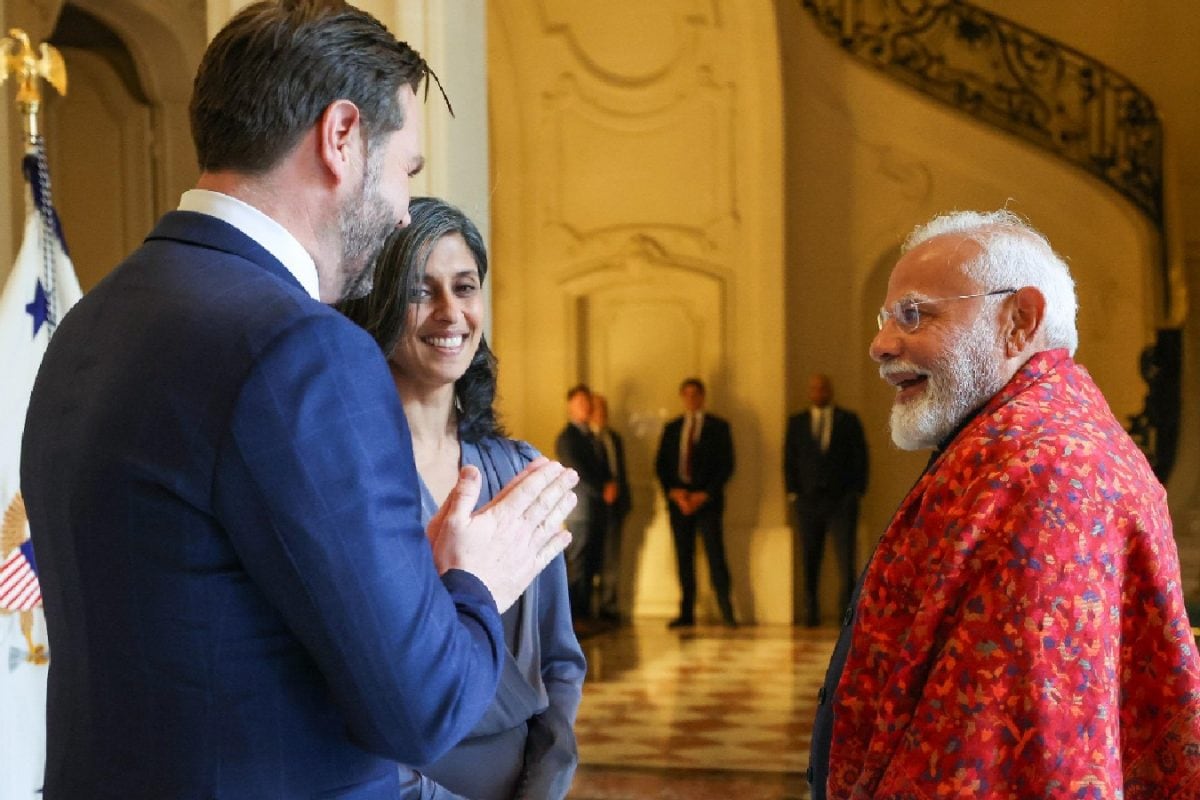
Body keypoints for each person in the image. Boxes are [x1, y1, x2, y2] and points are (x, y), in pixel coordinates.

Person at [19, 3, 578, 798]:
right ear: (341, 135)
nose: (400, 210)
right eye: (406, 172)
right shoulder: (304, 349)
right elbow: (422, 711)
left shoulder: (94, 318)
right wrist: (472, 581)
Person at [809, 209, 1200, 799]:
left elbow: (1013, 760)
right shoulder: (1025, 444)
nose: (881, 345)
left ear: (1020, 321)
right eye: (885, 318)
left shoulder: (1051, 475)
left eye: (914, 314)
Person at [337, 197, 586, 800]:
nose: (450, 313)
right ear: (377, 305)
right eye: (422, 291)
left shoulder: (521, 470)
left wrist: (544, 785)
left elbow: (560, 663)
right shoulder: (344, 479)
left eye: (465, 286)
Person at [783, 374, 868, 627]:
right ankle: (811, 612)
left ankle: (846, 614)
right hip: (808, 502)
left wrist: (856, 492)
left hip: (841, 501)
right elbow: (789, 459)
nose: (818, 391)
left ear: (830, 390)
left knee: (846, 560)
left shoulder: (848, 420)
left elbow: (861, 457)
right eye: (814, 387)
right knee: (810, 558)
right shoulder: (797, 422)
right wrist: (794, 493)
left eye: (823, 387)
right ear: (810, 391)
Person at [654, 378, 736, 628]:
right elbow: (661, 465)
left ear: (702, 397)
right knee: (683, 557)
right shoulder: (672, 428)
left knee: (715, 555)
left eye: (695, 394)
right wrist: (675, 493)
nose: (691, 399)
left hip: (707, 502)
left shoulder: (719, 427)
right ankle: (686, 612)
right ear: (682, 397)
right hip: (679, 503)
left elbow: (727, 465)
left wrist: (705, 494)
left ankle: (727, 611)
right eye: (686, 394)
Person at [555, 384, 610, 621]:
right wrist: (602, 489)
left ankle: (587, 615)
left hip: (596, 510)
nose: (585, 408)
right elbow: (579, 472)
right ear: (570, 407)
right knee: (578, 565)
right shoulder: (568, 438)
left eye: (588, 403)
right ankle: (576, 618)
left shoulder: (592, 436)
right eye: (580, 403)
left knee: (592, 564)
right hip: (581, 511)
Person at [590, 393, 631, 622]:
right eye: (597, 409)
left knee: (613, 559)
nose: (602, 414)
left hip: (617, 507)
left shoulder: (614, 438)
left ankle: (610, 605)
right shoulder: (588, 440)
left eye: (604, 409)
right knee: (594, 560)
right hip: (596, 509)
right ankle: (593, 609)